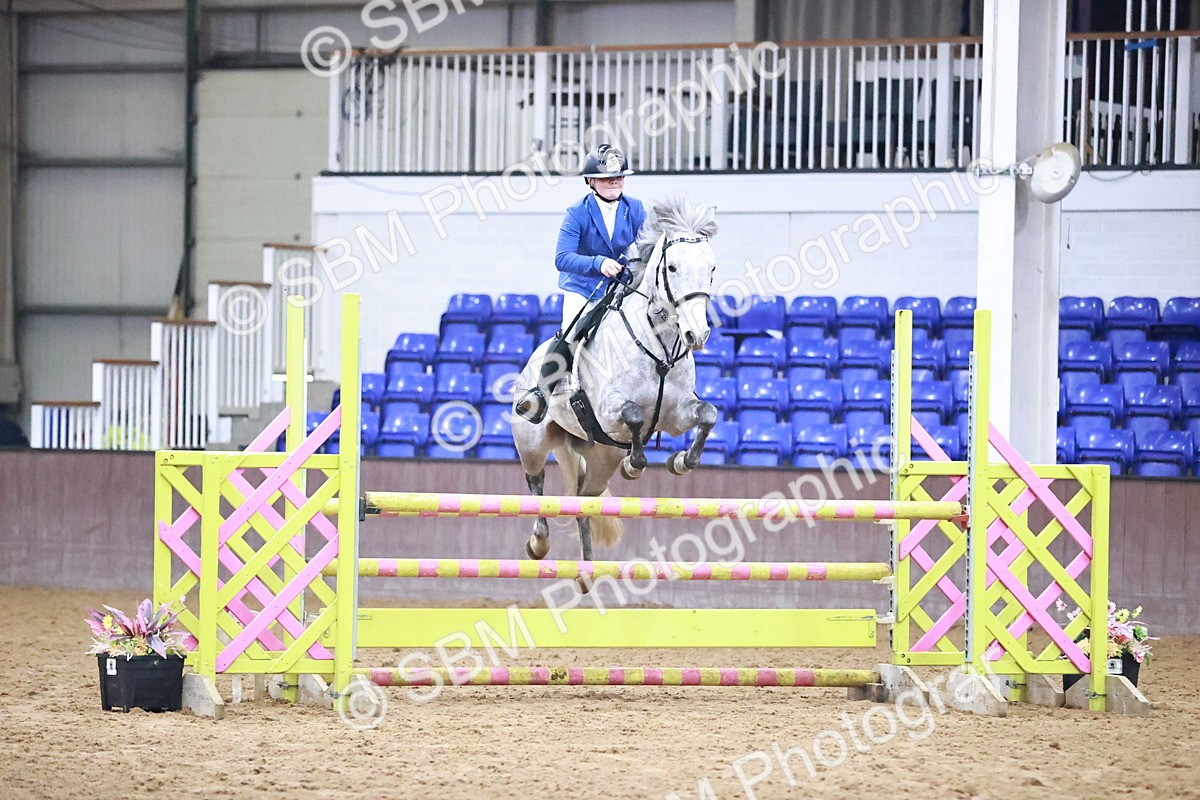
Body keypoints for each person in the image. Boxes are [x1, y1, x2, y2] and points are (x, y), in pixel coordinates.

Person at [516, 144, 646, 423]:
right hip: (583, 288)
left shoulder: (635, 208)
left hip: (620, 288)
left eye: (619, 177)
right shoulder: (577, 212)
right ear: (590, 181)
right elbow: (562, 258)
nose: (614, 182)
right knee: (572, 331)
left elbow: (645, 248)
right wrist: (598, 263)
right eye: (607, 178)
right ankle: (541, 394)